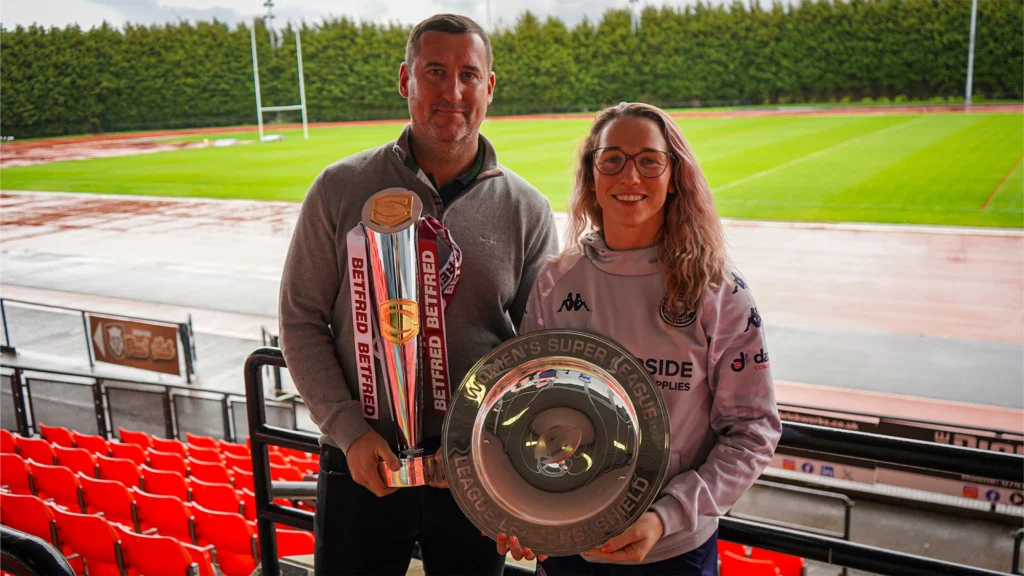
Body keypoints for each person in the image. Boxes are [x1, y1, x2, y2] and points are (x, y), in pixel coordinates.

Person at [278, 14, 559, 576]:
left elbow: (540, 349)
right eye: (435, 72)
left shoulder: (527, 209)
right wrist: (349, 431)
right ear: (405, 79)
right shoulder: (339, 188)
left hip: (476, 471)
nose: (452, 91)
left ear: (489, 87)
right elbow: (300, 319)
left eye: (468, 75)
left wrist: (515, 460)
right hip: (363, 462)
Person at [498, 102, 782, 575]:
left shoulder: (718, 291)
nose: (630, 176)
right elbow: (529, 408)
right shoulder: (555, 281)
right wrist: (521, 506)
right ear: (592, 174)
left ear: (674, 175)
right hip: (569, 542)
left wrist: (665, 516)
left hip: (673, 550)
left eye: (649, 160)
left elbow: (753, 431)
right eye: (612, 159)